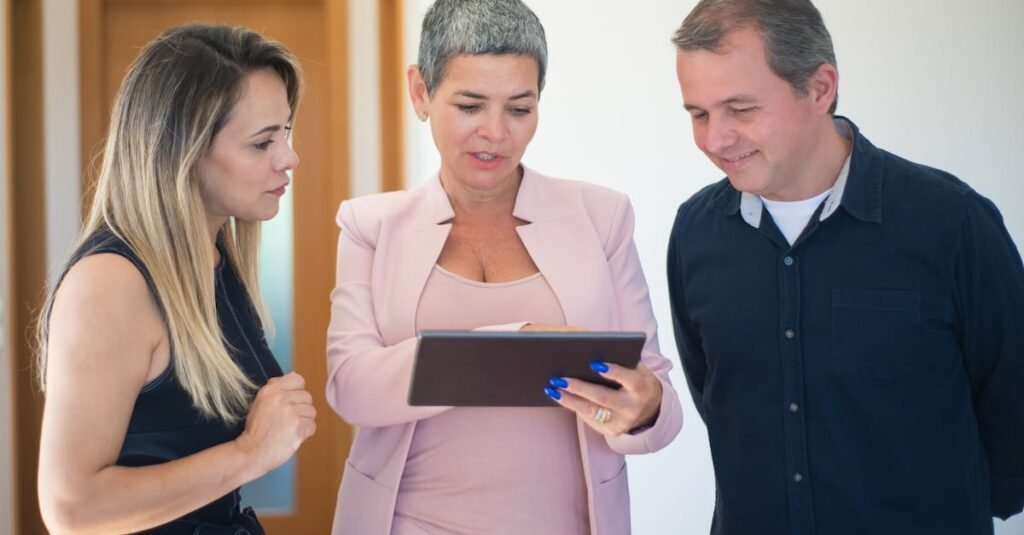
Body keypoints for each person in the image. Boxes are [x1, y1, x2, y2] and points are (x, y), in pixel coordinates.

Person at [325, 1, 683, 533]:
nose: (495, 132)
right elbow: (353, 387)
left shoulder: (601, 217)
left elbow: (657, 398)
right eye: (470, 105)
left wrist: (647, 406)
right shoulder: (370, 225)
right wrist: (518, 342)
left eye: (519, 108)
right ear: (420, 91)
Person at [667, 0, 1024, 533]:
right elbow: (714, 395)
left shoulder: (952, 222)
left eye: (740, 110)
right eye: (698, 114)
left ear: (819, 88)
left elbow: (1012, 407)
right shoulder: (695, 231)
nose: (715, 139)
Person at [35, 23, 316, 534]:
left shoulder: (212, 260)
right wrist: (251, 452)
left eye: (286, 132)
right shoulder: (109, 284)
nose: (289, 157)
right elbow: (71, 510)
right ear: (180, 154)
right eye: (262, 143)